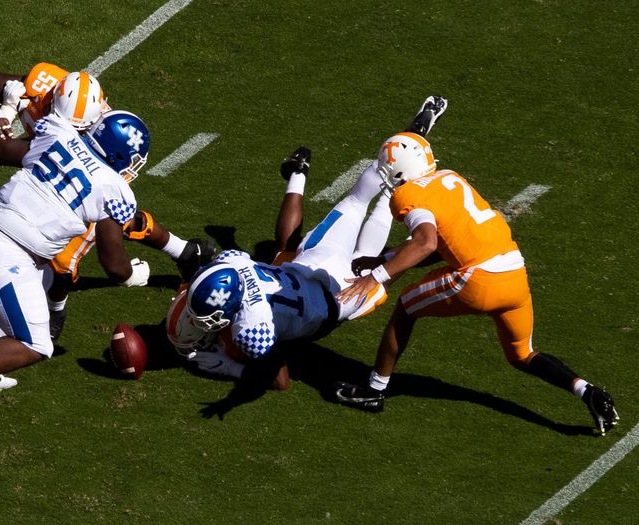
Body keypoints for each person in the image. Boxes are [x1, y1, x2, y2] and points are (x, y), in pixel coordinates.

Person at [0, 94, 174, 435]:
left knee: (44, 282)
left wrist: (2, 110)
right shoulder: (115, 189)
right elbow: (113, 262)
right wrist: (133, 275)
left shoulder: (61, 133)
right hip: (3, 246)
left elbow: (4, 151)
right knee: (37, 343)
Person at [332, 132, 620, 436]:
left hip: (479, 278)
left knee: (405, 307)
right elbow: (445, 244)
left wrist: (375, 277)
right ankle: (587, 392)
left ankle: (373, 390)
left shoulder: (409, 195)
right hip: (513, 272)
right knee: (522, 354)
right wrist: (385, 258)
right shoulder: (448, 177)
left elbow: (426, 242)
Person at [166, 97, 449, 390]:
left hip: (335, 302)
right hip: (313, 263)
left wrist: (227, 366)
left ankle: (446, 246)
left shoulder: (251, 328)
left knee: (387, 257)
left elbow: (281, 381)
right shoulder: (231, 262)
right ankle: (409, 142)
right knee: (360, 197)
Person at [0, 65, 213, 363]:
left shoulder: (104, 138)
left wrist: (126, 274)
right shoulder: (50, 87)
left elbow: (110, 231)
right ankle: (184, 251)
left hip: (86, 171)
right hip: (48, 157)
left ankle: (55, 304)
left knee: (65, 259)